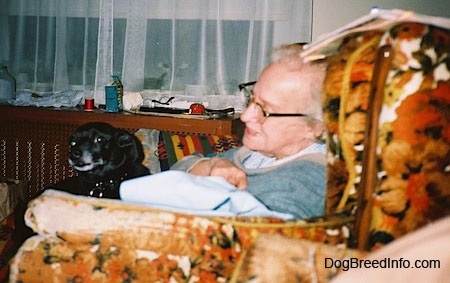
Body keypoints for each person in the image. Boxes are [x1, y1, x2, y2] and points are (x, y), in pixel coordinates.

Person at [171, 44, 328, 218]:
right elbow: (179, 168)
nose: (245, 116)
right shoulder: (256, 155)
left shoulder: (303, 184)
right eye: (252, 98)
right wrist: (211, 165)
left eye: (265, 110)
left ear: (316, 126)